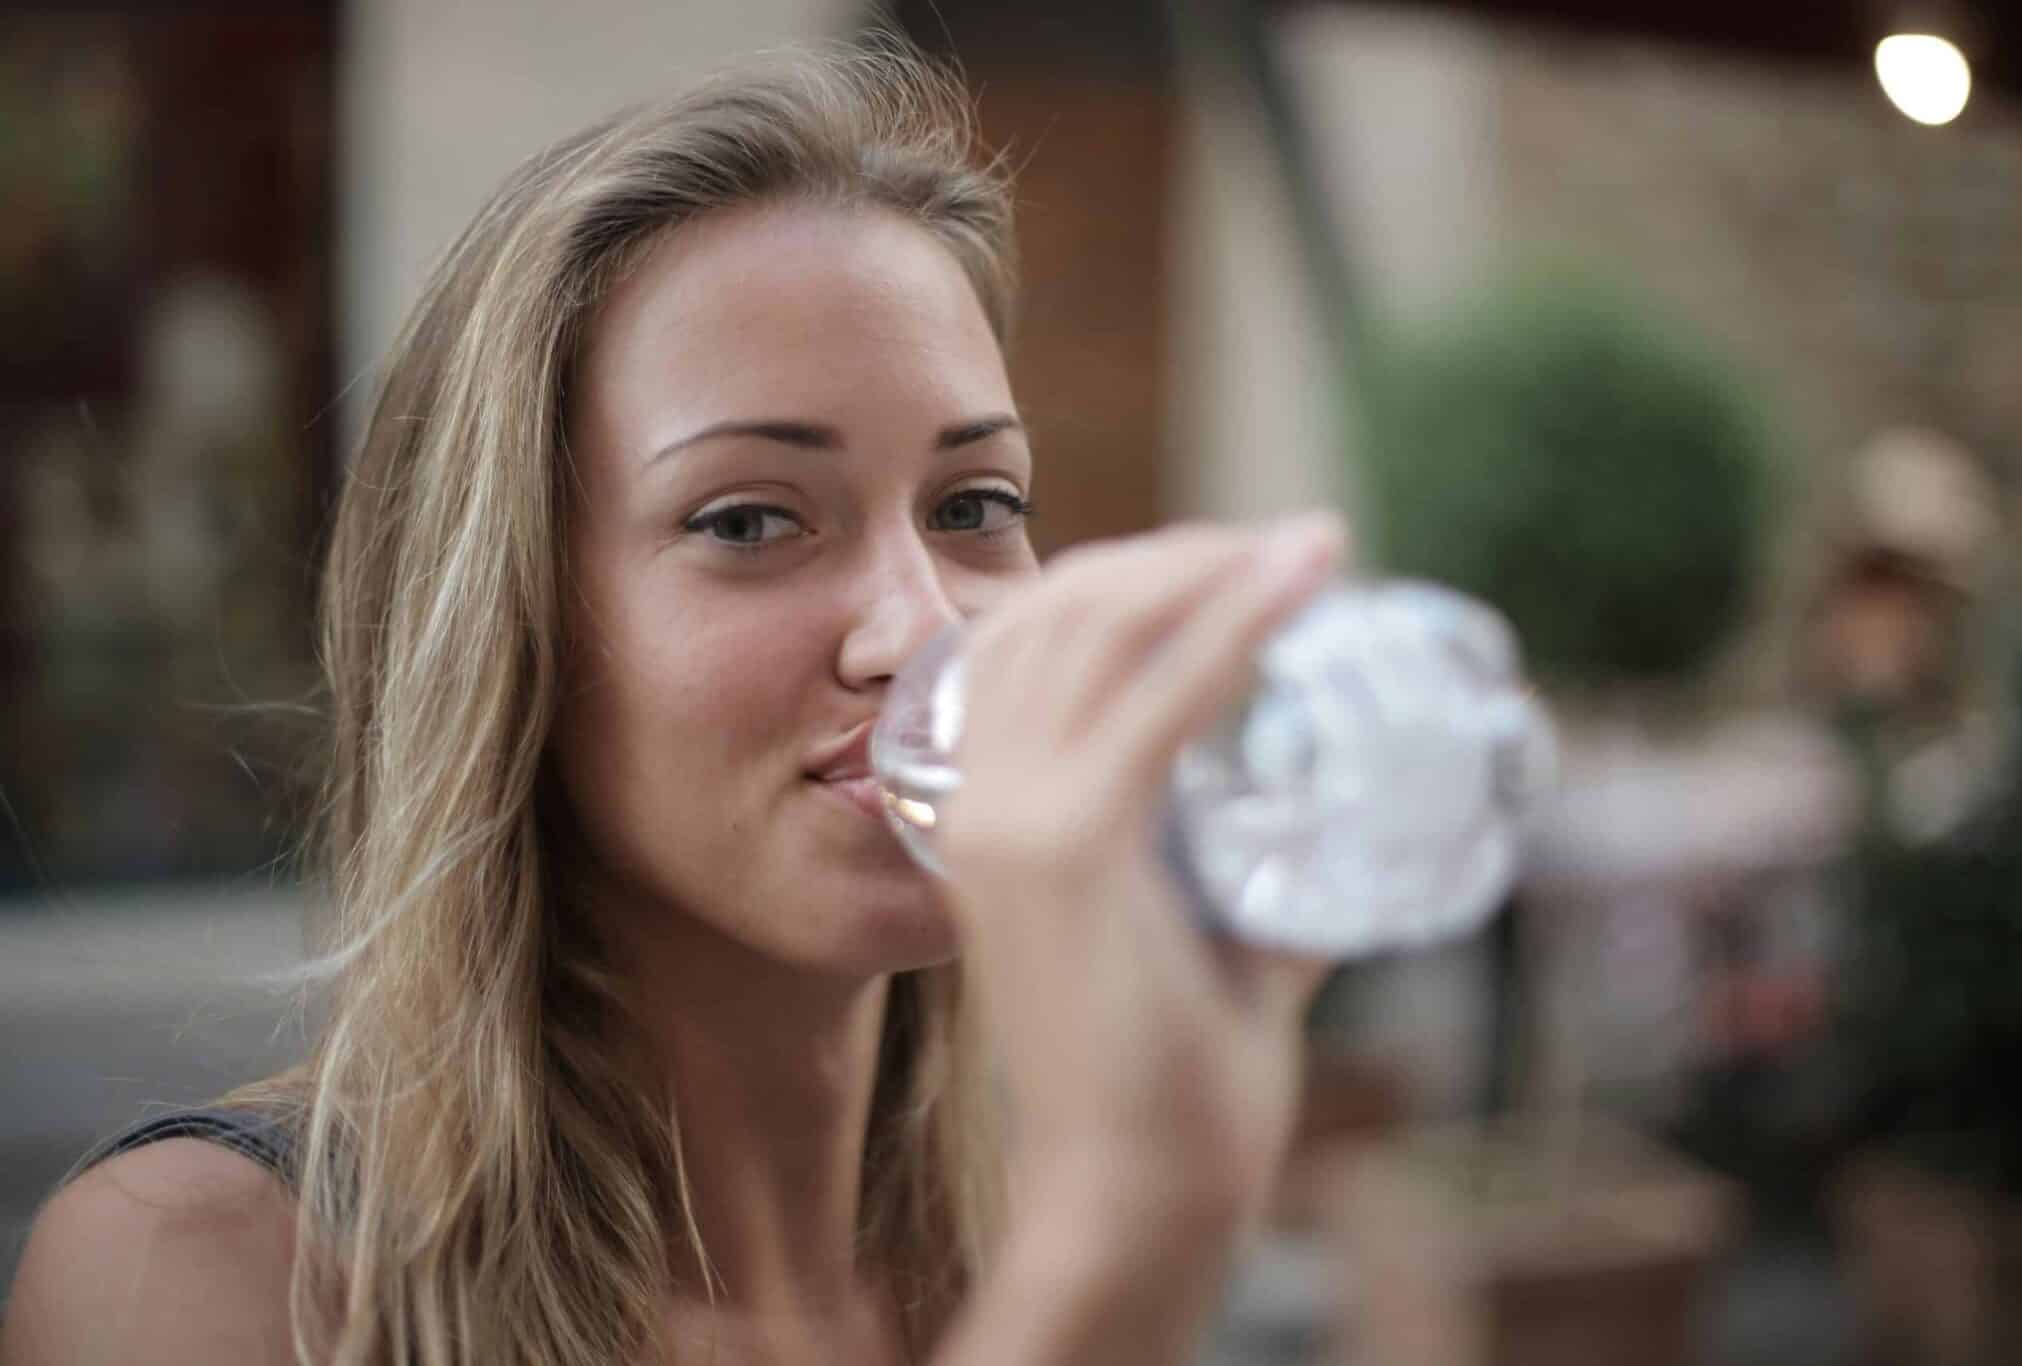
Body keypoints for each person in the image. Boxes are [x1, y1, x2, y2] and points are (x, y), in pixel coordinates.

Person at [1, 38, 1343, 1366]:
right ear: (518, 630)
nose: (924, 626)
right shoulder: (208, 1271)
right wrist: (1119, 1245)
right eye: (752, 519)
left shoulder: (1014, 1256)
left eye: (974, 505)